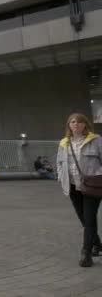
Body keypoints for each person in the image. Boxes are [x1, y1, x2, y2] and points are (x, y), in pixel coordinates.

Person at [57, 113, 102, 267]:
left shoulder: (96, 140)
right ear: (69, 125)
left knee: (89, 220)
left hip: (92, 185)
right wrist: (61, 177)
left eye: (79, 121)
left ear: (85, 124)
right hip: (72, 186)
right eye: (73, 122)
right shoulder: (64, 143)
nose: (76, 124)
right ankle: (97, 244)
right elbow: (59, 163)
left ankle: (86, 253)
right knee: (84, 219)